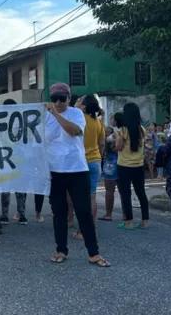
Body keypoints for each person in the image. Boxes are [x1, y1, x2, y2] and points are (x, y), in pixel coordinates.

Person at [45, 83, 109, 267]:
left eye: (62, 98)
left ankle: (94, 253)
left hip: (77, 169)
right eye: (54, 98)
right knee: (59, 212)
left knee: (83, 211)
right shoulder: (43, 117)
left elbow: (74, 131)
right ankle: (61, 249)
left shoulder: (76, 113)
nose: (57, 102)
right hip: (55, 170)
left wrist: (55, 115)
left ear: (69, 98)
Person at [72, 95, 105, 240]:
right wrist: (100, 157)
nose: (76, 101)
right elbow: (102, 143)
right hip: (95, 160)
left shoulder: (78, 119)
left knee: (80, 199)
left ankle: (82, 231)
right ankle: (92, 228)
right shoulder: (97, 122)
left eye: (79, 100)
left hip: (81, 162)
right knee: (92, 197)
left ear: (84, 106)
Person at [115, 102, 150, 230]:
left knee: (125, 193)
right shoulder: (142, 129)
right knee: (141, 192)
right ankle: (145, 220)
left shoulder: (123, 130)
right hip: (139, 165)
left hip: (124, 165)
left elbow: (118, 147)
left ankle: (129, 221)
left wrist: (115, 141)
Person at [0, 98, 28, 225]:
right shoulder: (21, 121)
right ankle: (22, 214)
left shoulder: (0, 121)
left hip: (5, 157)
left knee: (5, 188)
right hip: (19, 157)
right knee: (20, 187)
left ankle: (5, 215)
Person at [99, 112, 123, 221]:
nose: (111, 120)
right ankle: (127, 215)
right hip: (124, 162)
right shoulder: (129, 130)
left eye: (112, 118)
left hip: (111, 160)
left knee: (109, 189)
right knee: (124, 189)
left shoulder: (116, 133)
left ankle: (108, 214)